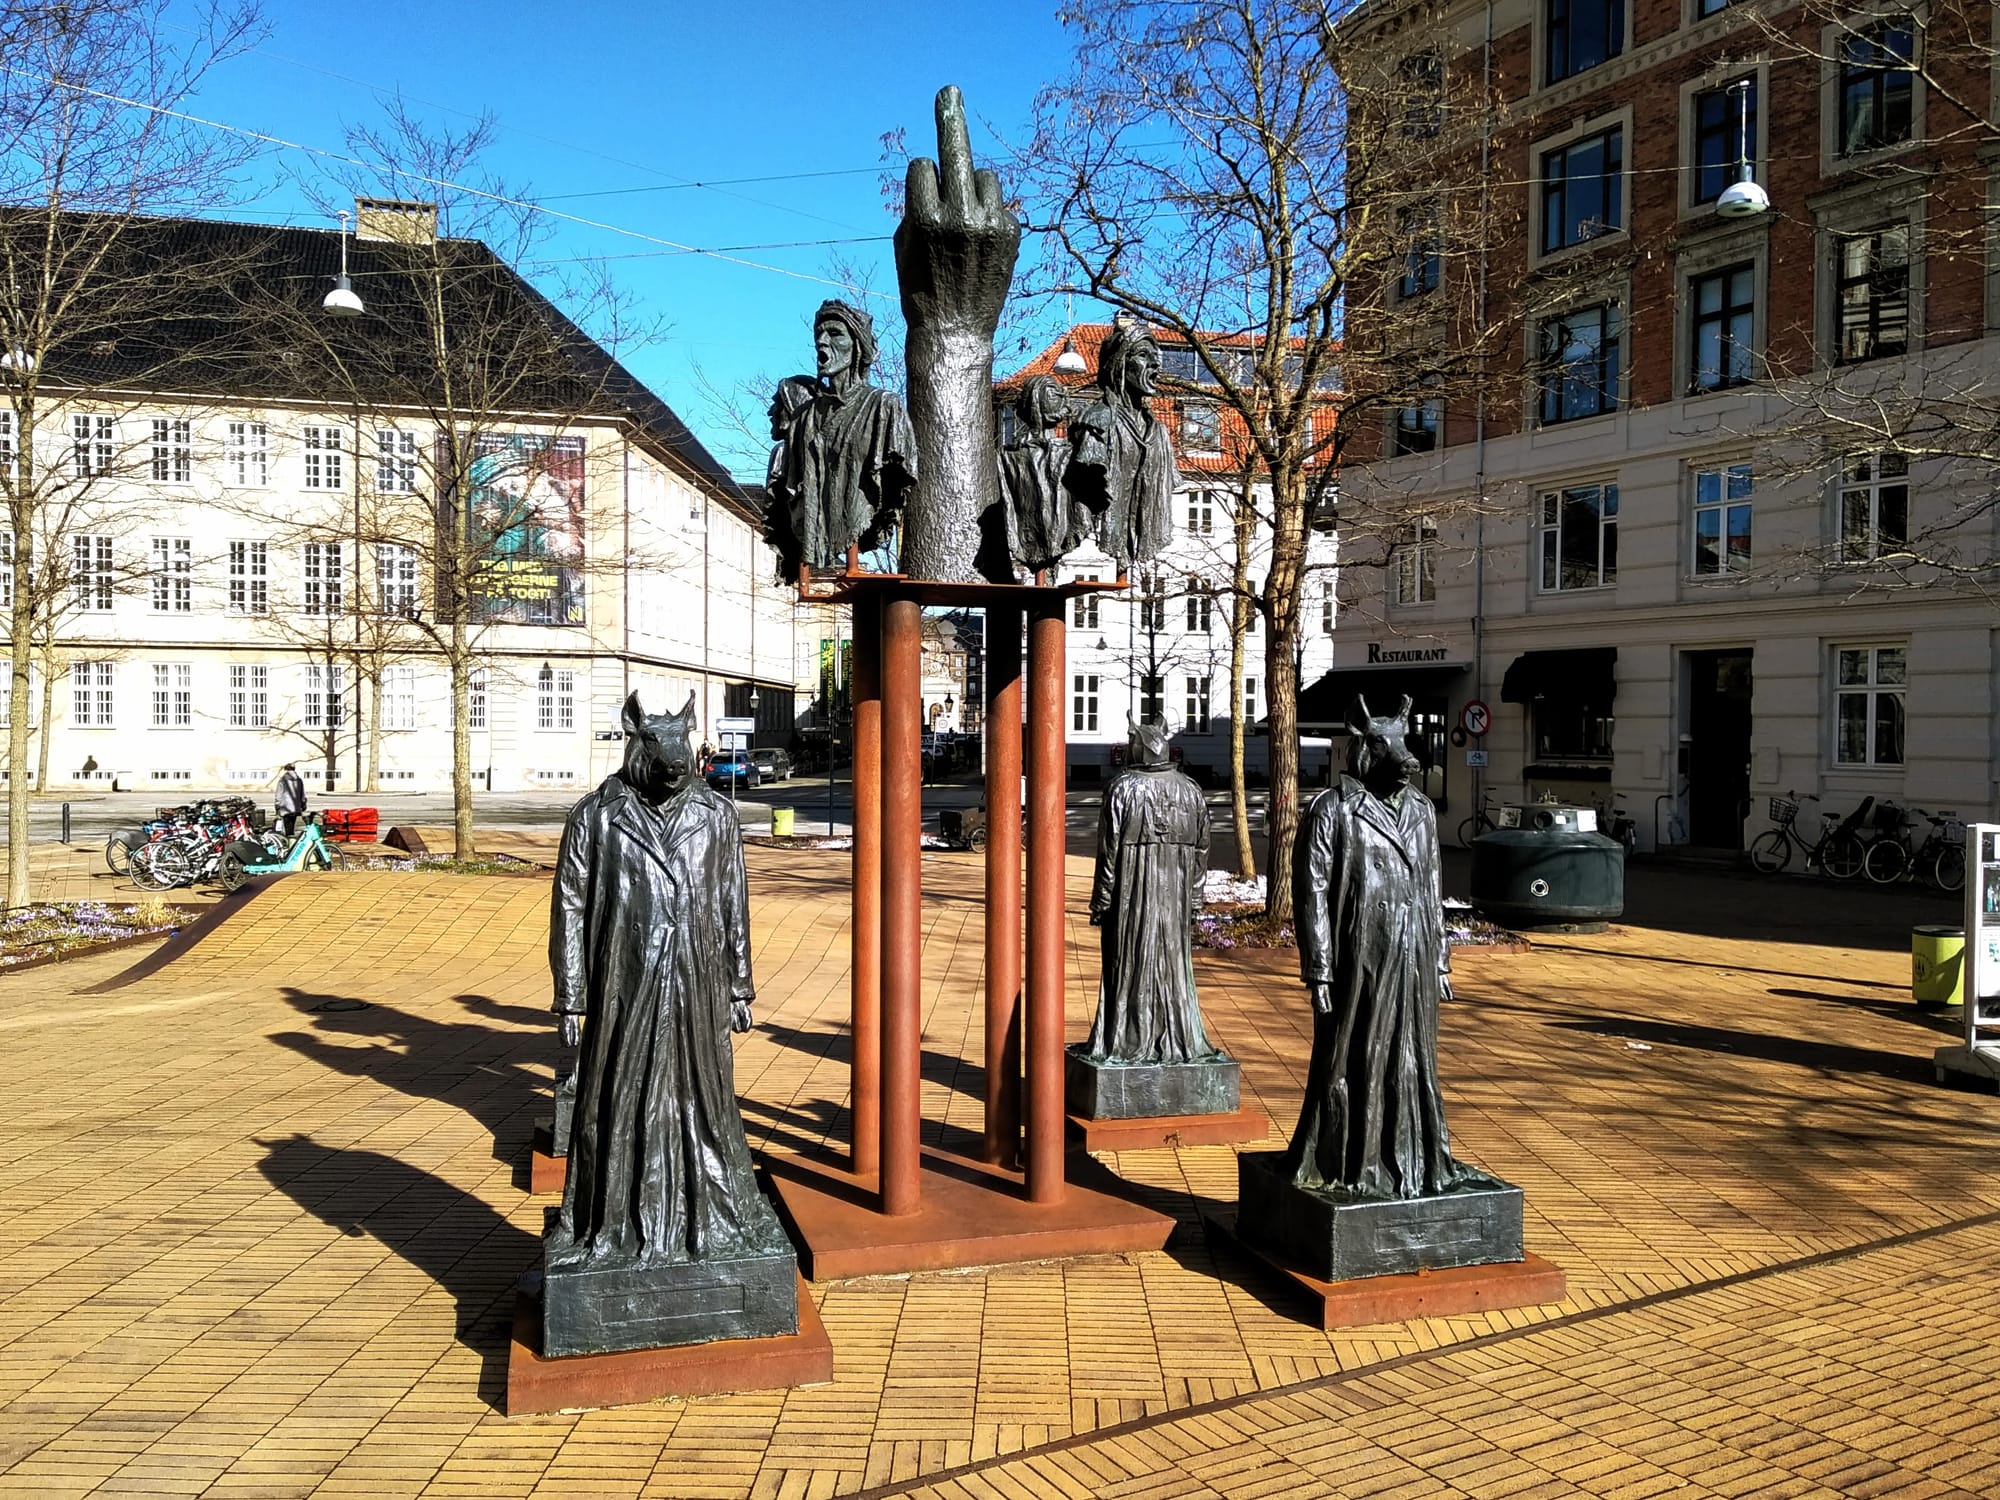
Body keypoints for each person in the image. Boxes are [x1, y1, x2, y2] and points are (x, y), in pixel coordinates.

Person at [547, 691, 789, 1272]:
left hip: (695, 981)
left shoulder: (717, 816)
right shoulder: (596, 815)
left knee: (703, 1099)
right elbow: (570, 906)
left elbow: (732, 901)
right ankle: (614, 1223)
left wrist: (738, 983)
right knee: (617, 1098)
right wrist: (572, 996)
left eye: (680, 744)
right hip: (623, 984)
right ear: (636, 740)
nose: (673, 759)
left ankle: (709, 1218)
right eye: (659, 744)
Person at [1286, 694, 1474, 1199]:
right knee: (1353, 1057)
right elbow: (1311, 892)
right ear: (1365, 749)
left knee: (1412, 1056)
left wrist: (1439, 961)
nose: (1401, 756)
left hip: (1412, 953)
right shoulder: (1332, 810)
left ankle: (1415, 1158)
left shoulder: (1422, 810)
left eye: (1401, 744)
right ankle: (1352, 1160)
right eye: (1384, 745)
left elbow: (1430, 888)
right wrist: (1319, 969)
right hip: (1360, 955)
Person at [1083, 717, 1220, 1064]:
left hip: (1130, 898)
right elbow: (1203, 849)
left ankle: (1126, 1040)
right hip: (1175, 898)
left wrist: (1102, 899)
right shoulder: (1191, 790)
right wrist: (1194, 898)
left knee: (1128, 966)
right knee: (1174, 967)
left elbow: (1108, 851)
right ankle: (1177, 1038)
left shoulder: (1121, 789)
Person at [769, 300, 917, 569]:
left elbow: (899, 480)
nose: (822, 342)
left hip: (857, 522)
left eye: (835, 334)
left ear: (857, 345)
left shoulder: (884, 407)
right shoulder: (804, 418)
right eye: (819, 334)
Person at [1066, 315, 1176, 568]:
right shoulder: (1097, 421)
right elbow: (1086, 482)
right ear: (1119, 365)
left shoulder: (1159, 432)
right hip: (1104, 540)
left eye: (1156, 356)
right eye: (1143, 355)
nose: (1155, 364)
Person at [275, 764, 307, 839]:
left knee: (286, 826)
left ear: (286, 770)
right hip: (295, 807)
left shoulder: (283, 780)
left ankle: (288, 839)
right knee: (292, 825)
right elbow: (302, 794)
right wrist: (303, 804)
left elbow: (279, 794)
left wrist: (277, 804)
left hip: (285, 806)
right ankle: (291, 839)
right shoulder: (299, 780)